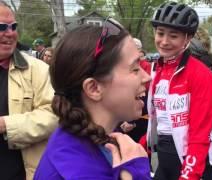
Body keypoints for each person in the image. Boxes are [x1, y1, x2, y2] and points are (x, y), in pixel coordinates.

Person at [34, 18, 152, 179]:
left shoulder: (93, 135)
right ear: (94, 88)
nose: (147, 77)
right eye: (135, 69)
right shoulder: (79, 170)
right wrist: (137, 173)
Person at [147, 2, 212, 180]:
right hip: (164, 157)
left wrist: (190, 174)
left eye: (173, 36)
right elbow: (157, 120)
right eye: (160, 33)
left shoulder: (201, 75)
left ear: (187, 39)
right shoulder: (158, 68)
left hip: (191, 161)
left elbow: (200, 134)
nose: (164, 41)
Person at [0, 1, 58, 180]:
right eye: (2, 27)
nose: (10, 33)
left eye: (13, 26)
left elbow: (53, 115)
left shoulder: (38, 69)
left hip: (20, 173)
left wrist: (4, 125)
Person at [189, 30, 212, 180]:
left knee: (203, 171)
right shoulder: (208, 63)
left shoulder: (195, 66)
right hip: (209, 134)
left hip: (200, 138)